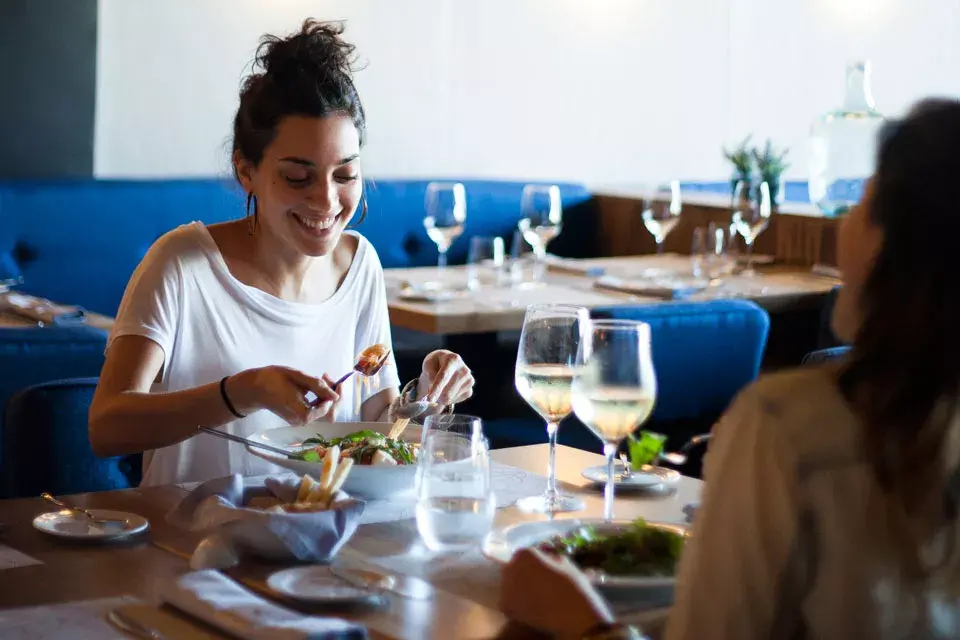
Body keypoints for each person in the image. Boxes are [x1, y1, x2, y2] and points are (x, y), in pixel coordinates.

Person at [500, 98, 960, 639]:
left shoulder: (787, 427)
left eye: (862, 198)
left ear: (896, 241)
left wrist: (581, 623)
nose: (845, 224)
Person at [89, 20, 474, 487]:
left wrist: (425, 398)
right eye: (298, 178)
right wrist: (242, 391)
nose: (327, 202)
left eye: (345, 175)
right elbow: (107, 426)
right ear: (246, 170)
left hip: (328, 539)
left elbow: (378, 423)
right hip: (193, 542)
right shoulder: (182, 264)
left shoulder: (360, 265)